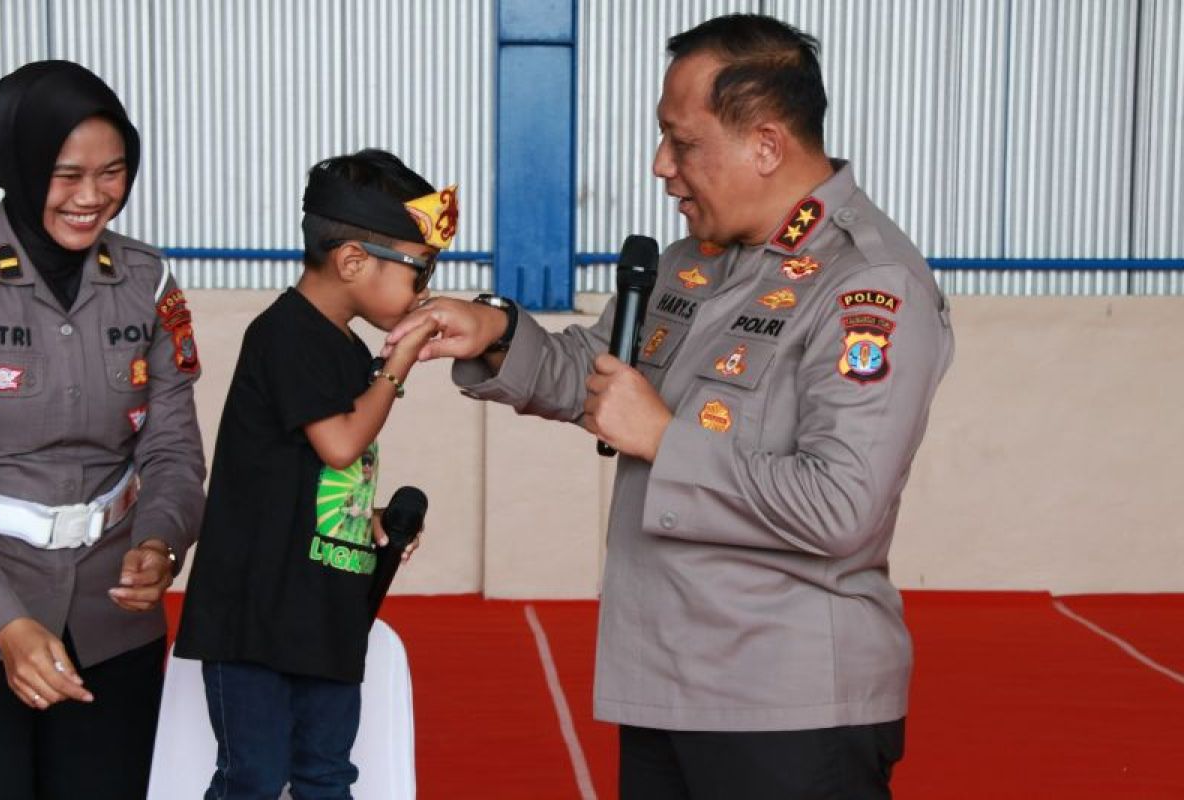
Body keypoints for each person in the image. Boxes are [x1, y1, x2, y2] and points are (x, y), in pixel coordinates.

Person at [389, 13, 954, 798]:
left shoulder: (869, 284)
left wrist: (663, 437)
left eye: (682, 142)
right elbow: (604, 372)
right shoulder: (697, 260)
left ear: (764, 145)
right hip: (666, 682)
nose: (662, 166)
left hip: (787, 709)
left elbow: (841, 504)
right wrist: (494, 330)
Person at [173, 148, 451, 798]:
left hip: (323, 608)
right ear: (352, 260)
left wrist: (369, 518)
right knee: (254, 777)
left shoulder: (344, 346)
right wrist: (399, 363)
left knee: (327, 775)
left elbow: (319, 474)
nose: (425, 293)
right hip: (257, 616)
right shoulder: (285, 334)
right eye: (420, 271)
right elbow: (340, 444)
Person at [0, 61, 206, 799]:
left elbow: (173, 444)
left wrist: (161, 541)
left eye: (112, 172)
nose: (92, 197)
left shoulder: (146, 281)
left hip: (112, 626)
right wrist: (6, 626)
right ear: (14, 163)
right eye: (66, 174)